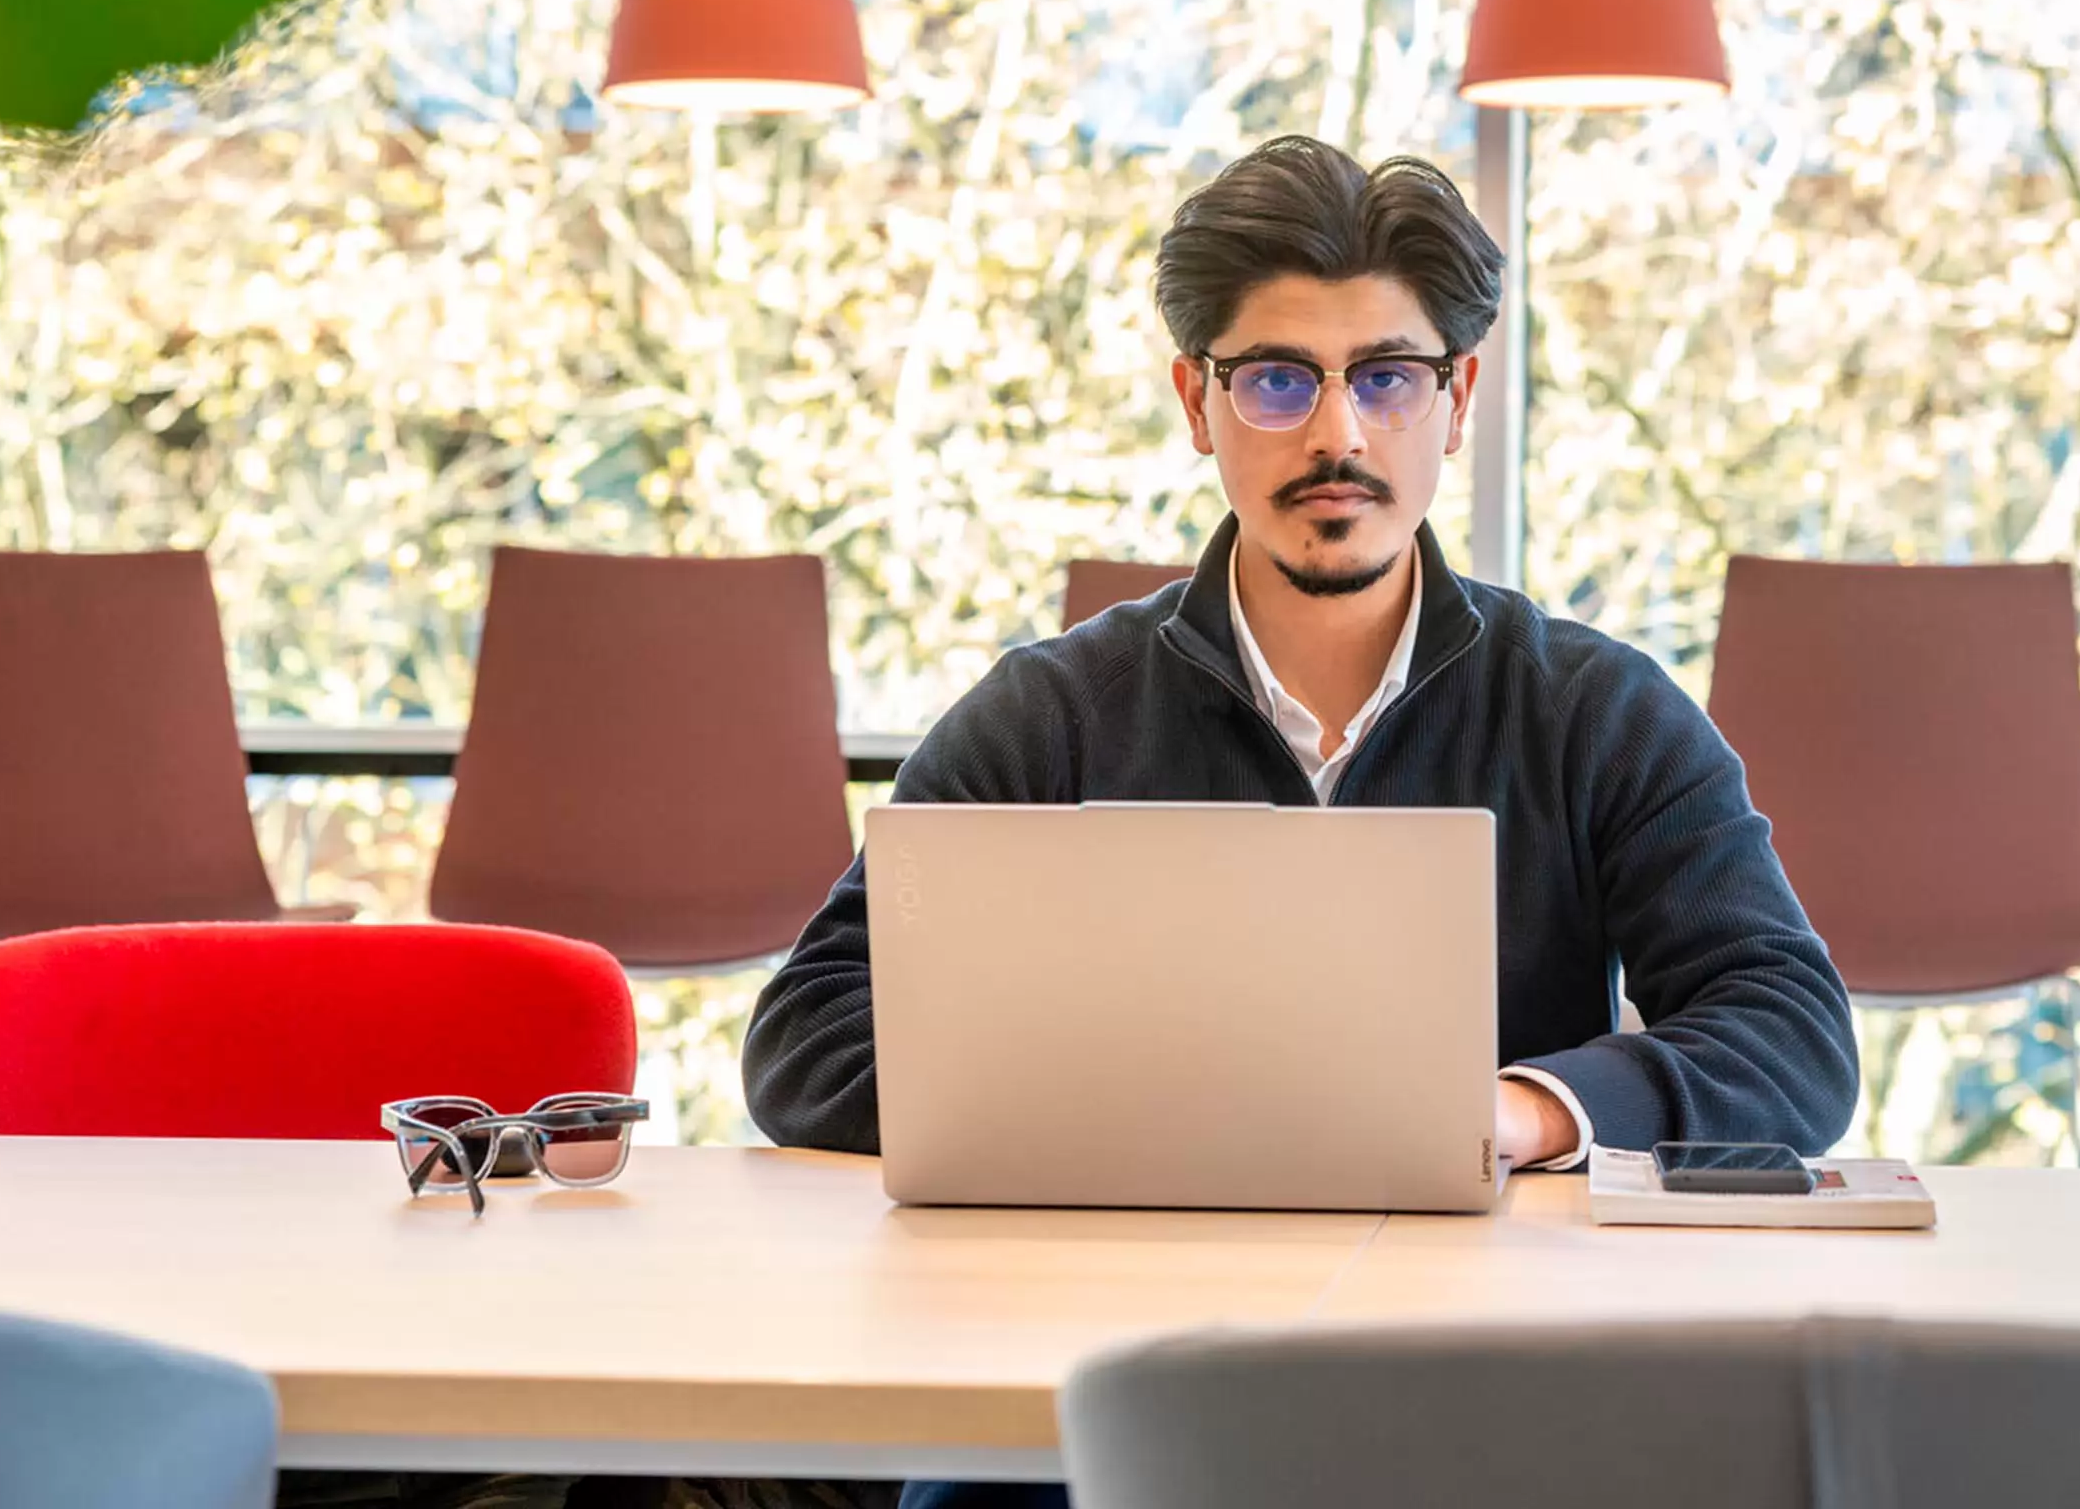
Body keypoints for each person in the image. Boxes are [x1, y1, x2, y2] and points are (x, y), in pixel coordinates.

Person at [744, 135, 1860, 1509]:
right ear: (1195, 404)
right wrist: (1167, 1119)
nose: (1337, 434)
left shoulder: (1593, 712)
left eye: (1385, 377)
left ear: (1456, 400)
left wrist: (1520, 1113)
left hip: (1473, 1384)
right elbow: (806, 1037)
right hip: (1085, 1379)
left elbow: (1790, 1033)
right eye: (1277, 380)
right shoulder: (1053, 715)